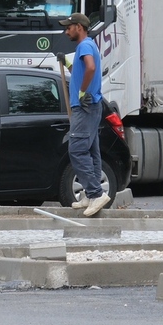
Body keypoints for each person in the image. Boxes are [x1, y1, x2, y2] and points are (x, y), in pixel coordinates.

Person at [57, 12, 109, 216]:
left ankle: (96, 193)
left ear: (79, 27)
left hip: (84, 106)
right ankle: (90, 193)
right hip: (91, 106)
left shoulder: (84, 46)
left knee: (77, 150)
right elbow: (81, 71)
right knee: (91, 152)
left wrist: (82, 92)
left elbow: (91, 67)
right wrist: (68, 64)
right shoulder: (89, 45)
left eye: (69, 27)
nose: (66, 31)